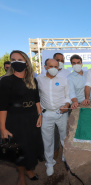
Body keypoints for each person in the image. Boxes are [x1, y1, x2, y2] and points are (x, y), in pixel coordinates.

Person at [0, 50, 43, 185]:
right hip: (15, 119)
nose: (16, 62)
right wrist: (2, 128)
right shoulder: (6, 81)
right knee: (19, 149)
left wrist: (40, 114)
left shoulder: (32, 79)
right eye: (13, 60)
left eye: (19, 59)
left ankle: (29, 170)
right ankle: (22, 177)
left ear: (26, 62)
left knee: (31, 147)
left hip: (31, 117)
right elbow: (2, 106)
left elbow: (37, 99)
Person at [37, 58, 70, 176]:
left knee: (64, 137)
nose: (54, 69)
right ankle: (50, 163)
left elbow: (68, 96)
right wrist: (39, 113)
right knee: (47, 140)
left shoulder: (63, 79)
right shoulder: (39, 80)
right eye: (50, 66)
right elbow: (37, 98)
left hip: (61, 113)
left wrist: (66, 105)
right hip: (46, 114)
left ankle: (66, 158)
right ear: (45, 67)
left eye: (56, 67)